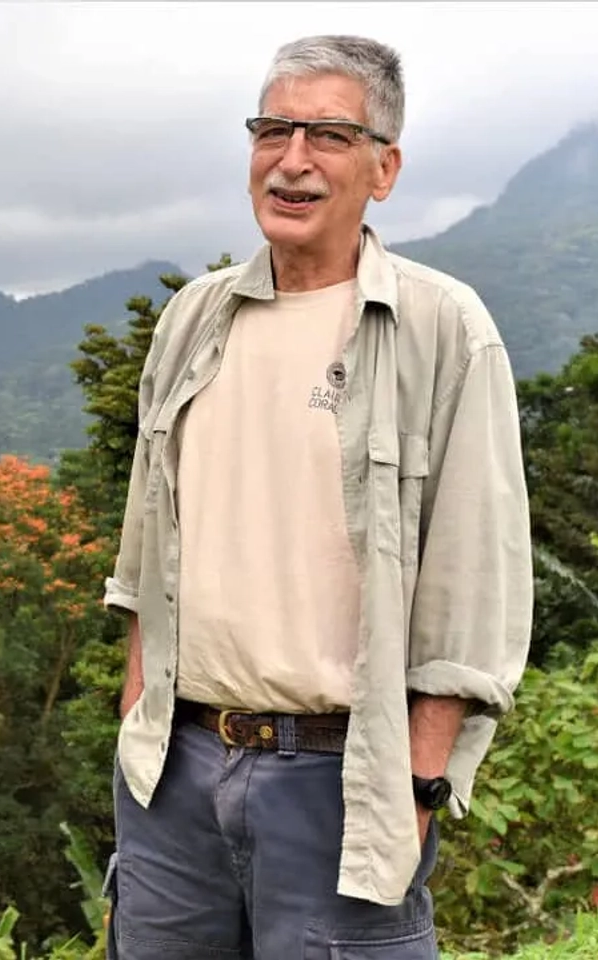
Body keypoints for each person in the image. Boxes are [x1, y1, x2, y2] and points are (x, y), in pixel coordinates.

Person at [101, 34, 533, 960]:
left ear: (385, 168)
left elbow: (474, 583)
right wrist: (137, 716)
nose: (291, 160)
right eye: (273, 130)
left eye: (329, 136)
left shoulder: (442, 329)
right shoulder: (193, 320)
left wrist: (416, 790)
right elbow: (145, 550)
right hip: (172, 774)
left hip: (342, 783)